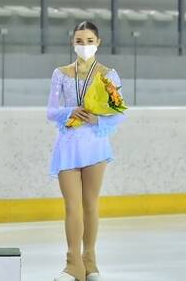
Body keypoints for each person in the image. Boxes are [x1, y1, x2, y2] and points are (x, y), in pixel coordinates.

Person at [47, 21, 125, 281]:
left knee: (90, 204)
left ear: (98, 42)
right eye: (79, 41)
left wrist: (97, 120)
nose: (84, 46)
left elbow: (118, 114)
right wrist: (70, 111)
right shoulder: (61, 73)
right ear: (73, 43)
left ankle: (90, 261)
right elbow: (50, 111)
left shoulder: (108, 75)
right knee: (72, 206)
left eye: (89, 41)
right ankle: (73, 264)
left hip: (94, 144)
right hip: (68, 145)